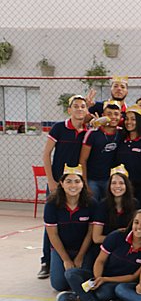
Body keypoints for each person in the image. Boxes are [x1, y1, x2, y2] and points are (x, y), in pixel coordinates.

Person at [65, 209, 141, 301]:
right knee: (71, 273)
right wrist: (98, 278)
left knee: (103, 293)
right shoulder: (117, 236)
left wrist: (105, 279)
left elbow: (133, 277)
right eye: (136, 222)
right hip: (102, 276)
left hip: (120, 282)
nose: (139, 227)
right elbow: (100, 261)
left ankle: (80, 295)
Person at [40, 94, 89, 279]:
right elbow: (46, 155)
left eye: (83, 106)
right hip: (58, 183)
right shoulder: (59, 128)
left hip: (77, 183)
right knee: (51, 221)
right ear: (69, 110)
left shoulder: (88, 131)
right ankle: (46, 261)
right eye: (76, 106)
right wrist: (51, 181)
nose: (79, 109)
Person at [44, 165, 96, 299]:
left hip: (83, 249)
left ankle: (76, 292)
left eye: (77, 181)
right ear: (61, 184)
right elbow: (52, 234)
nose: (73, 185)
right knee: (58, 284)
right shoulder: (52, 204)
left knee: (84, 280)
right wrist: (66, 259)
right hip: (62, 249)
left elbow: (90, 233)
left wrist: (80, 256)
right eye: (68, 181)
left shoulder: (91, 203)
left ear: (83, 184)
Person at [80, 100, 123, 202]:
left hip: (110, 179)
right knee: (92, 204)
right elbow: (82, 160)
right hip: (92, 179)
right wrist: (85, 183)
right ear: (103, 116)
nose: (113, 117)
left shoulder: (122, 133)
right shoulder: (93, 133)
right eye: (109, 114)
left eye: (116, 114)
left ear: (120, 116)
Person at [115, 106, 141, 206]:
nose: (129, 122)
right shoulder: (120, 139)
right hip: (122, 188)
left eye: (133, 119)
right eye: (127, 119)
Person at [92, 165, 138, 247]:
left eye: (121, 183)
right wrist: (118, 236)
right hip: (106, 246)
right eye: (113, 183)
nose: (117, 186)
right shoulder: (102, 205)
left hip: (127, 246)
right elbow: (96, 238)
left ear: (127, 186)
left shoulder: (135, 203)